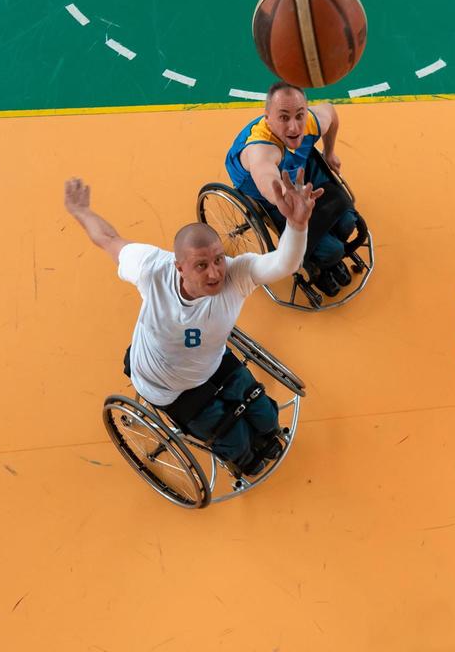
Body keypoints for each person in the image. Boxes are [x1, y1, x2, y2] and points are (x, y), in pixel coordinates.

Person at [63, 171, 321, 475]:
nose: (214, 273)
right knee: (240, 448)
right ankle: (240, 451)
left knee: (267, 419)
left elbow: (284, 263)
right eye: (201, 265)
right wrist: (82, 211)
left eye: (218, 259)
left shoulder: (236, 276)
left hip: (210, 363)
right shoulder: (152, 270)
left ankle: (257, 433)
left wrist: (297, 225)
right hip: (165, 384)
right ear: (179, 266)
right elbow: (108, 239)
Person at [224, 81, 359, 296]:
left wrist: (330, 152)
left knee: (348, 222)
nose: (294, 127)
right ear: (268, 119)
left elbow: (330, 111)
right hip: (270, 193)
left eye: (299, 115)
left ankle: (327, 254)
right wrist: (290, 201)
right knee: (333, 251)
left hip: (296, 171)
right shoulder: (262, 151)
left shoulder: (310, 123)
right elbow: (269, 181)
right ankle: (322, 265)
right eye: (284, 117)